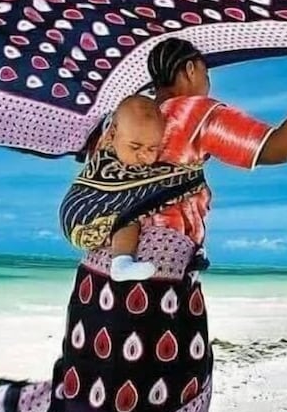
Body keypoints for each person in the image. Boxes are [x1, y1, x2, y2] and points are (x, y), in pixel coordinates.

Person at [0, 37, 287, 412]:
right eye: (205, 71)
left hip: (93, 286)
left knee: (90, 396)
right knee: (167, 401)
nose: (207, 80)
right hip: (155, 286)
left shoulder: (116, 126)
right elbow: (280, 146)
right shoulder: (195, 113)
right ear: (190, 69)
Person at [59, 95, 205, 282]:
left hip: (90, 213)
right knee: (128, 218)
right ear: (112, 135)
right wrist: (187, 175)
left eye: (152, 149)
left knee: (163, 201)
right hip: (81, 211)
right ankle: (121, 264)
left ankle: (195, 250)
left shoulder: (126, 145)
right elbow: (164, 181)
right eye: (135, 147)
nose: (143, 156)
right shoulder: (105, 158)